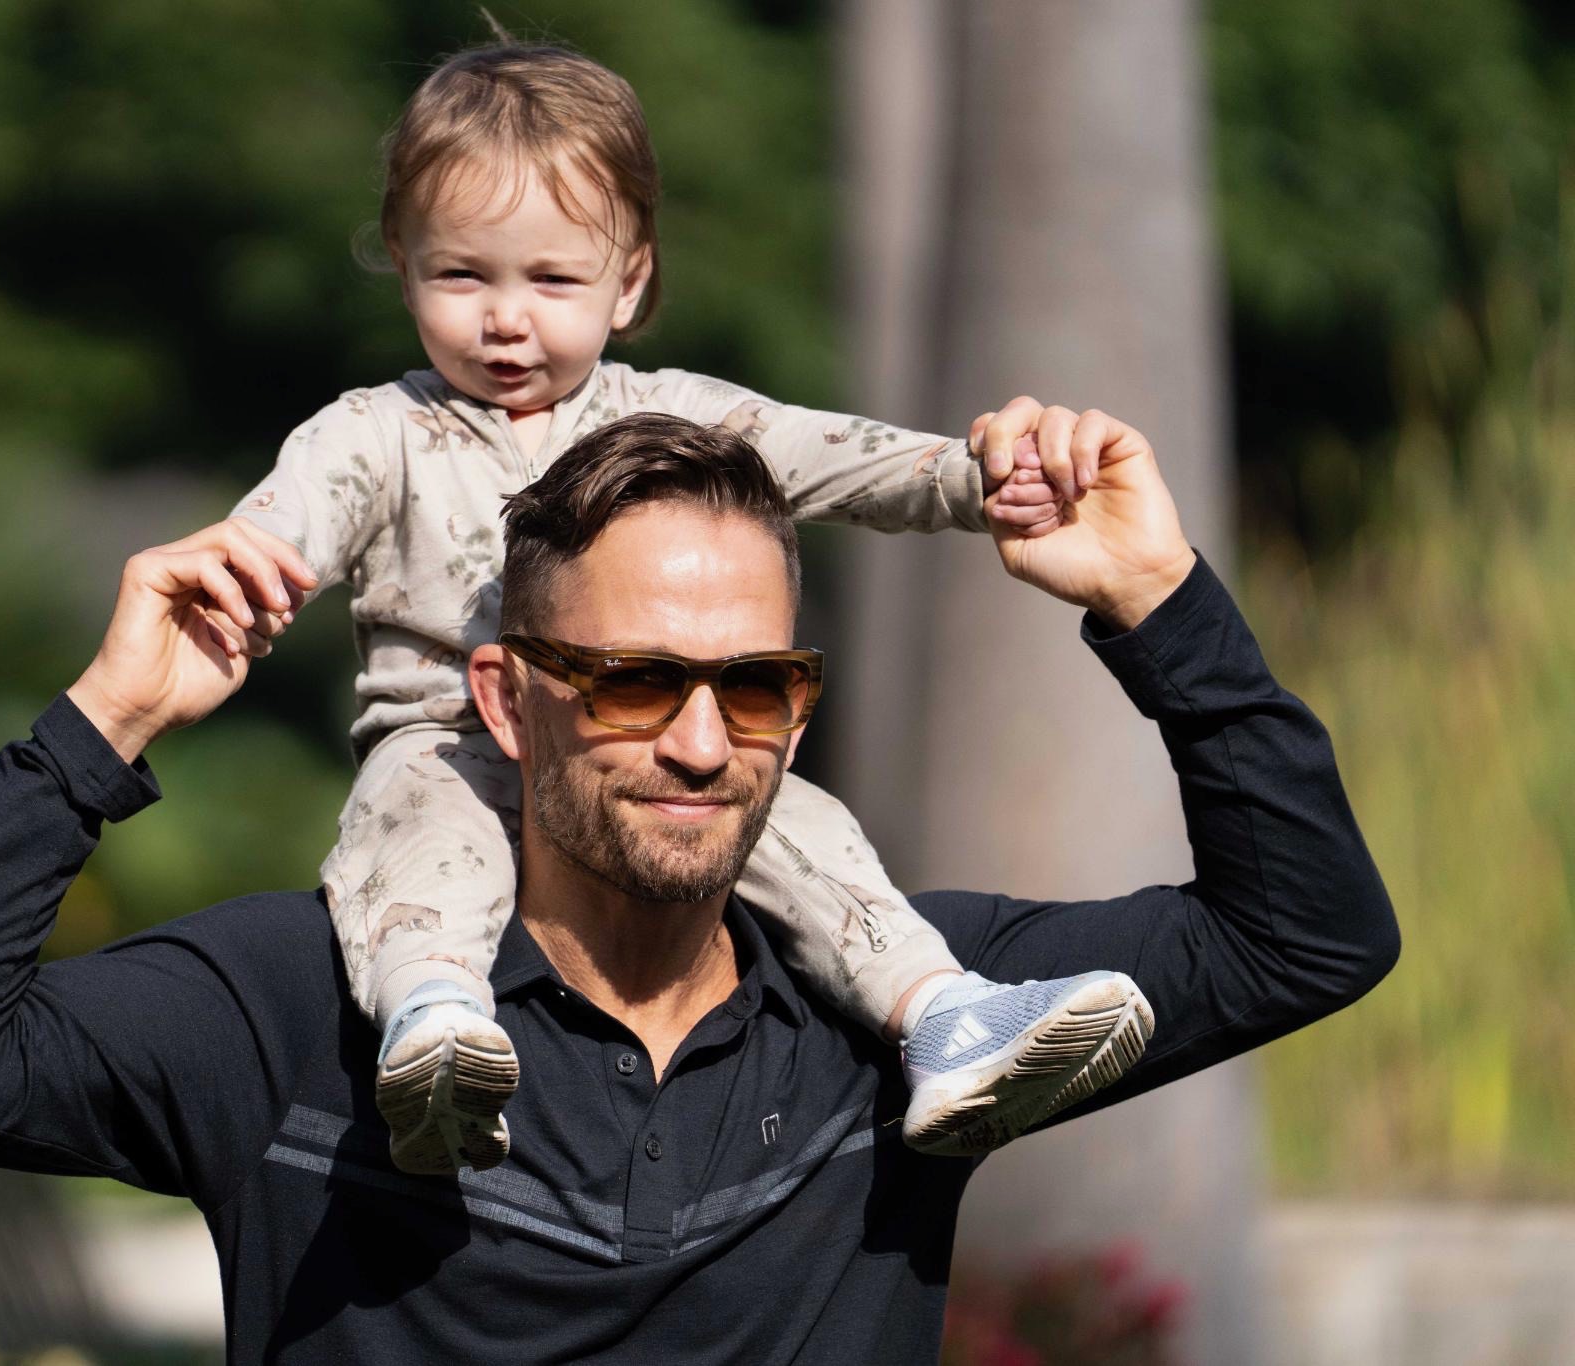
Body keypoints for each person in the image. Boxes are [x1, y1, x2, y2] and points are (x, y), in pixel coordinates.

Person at [0, 405, 1397, 1364]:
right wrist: (106, 723)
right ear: (504, 700)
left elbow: (1310, 932)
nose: (703, 742)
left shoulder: (919, 1016)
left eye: (755, 685)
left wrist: (1159, 599)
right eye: (635, 680)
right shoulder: (297, 1010)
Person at [217, 39, 1149, 1175]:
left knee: (804, 829)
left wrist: (976, 477)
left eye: (552, 281)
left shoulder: (673, 422)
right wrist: (245, 568)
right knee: (417, 847)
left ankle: (941, 1015)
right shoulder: (375, 433)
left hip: (645, 737)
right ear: (402, 264)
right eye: (461, 276)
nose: (505, 318)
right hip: (448, 741)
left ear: (629, 282)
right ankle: (436, 1032)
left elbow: (835, 456)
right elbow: (288, 524)